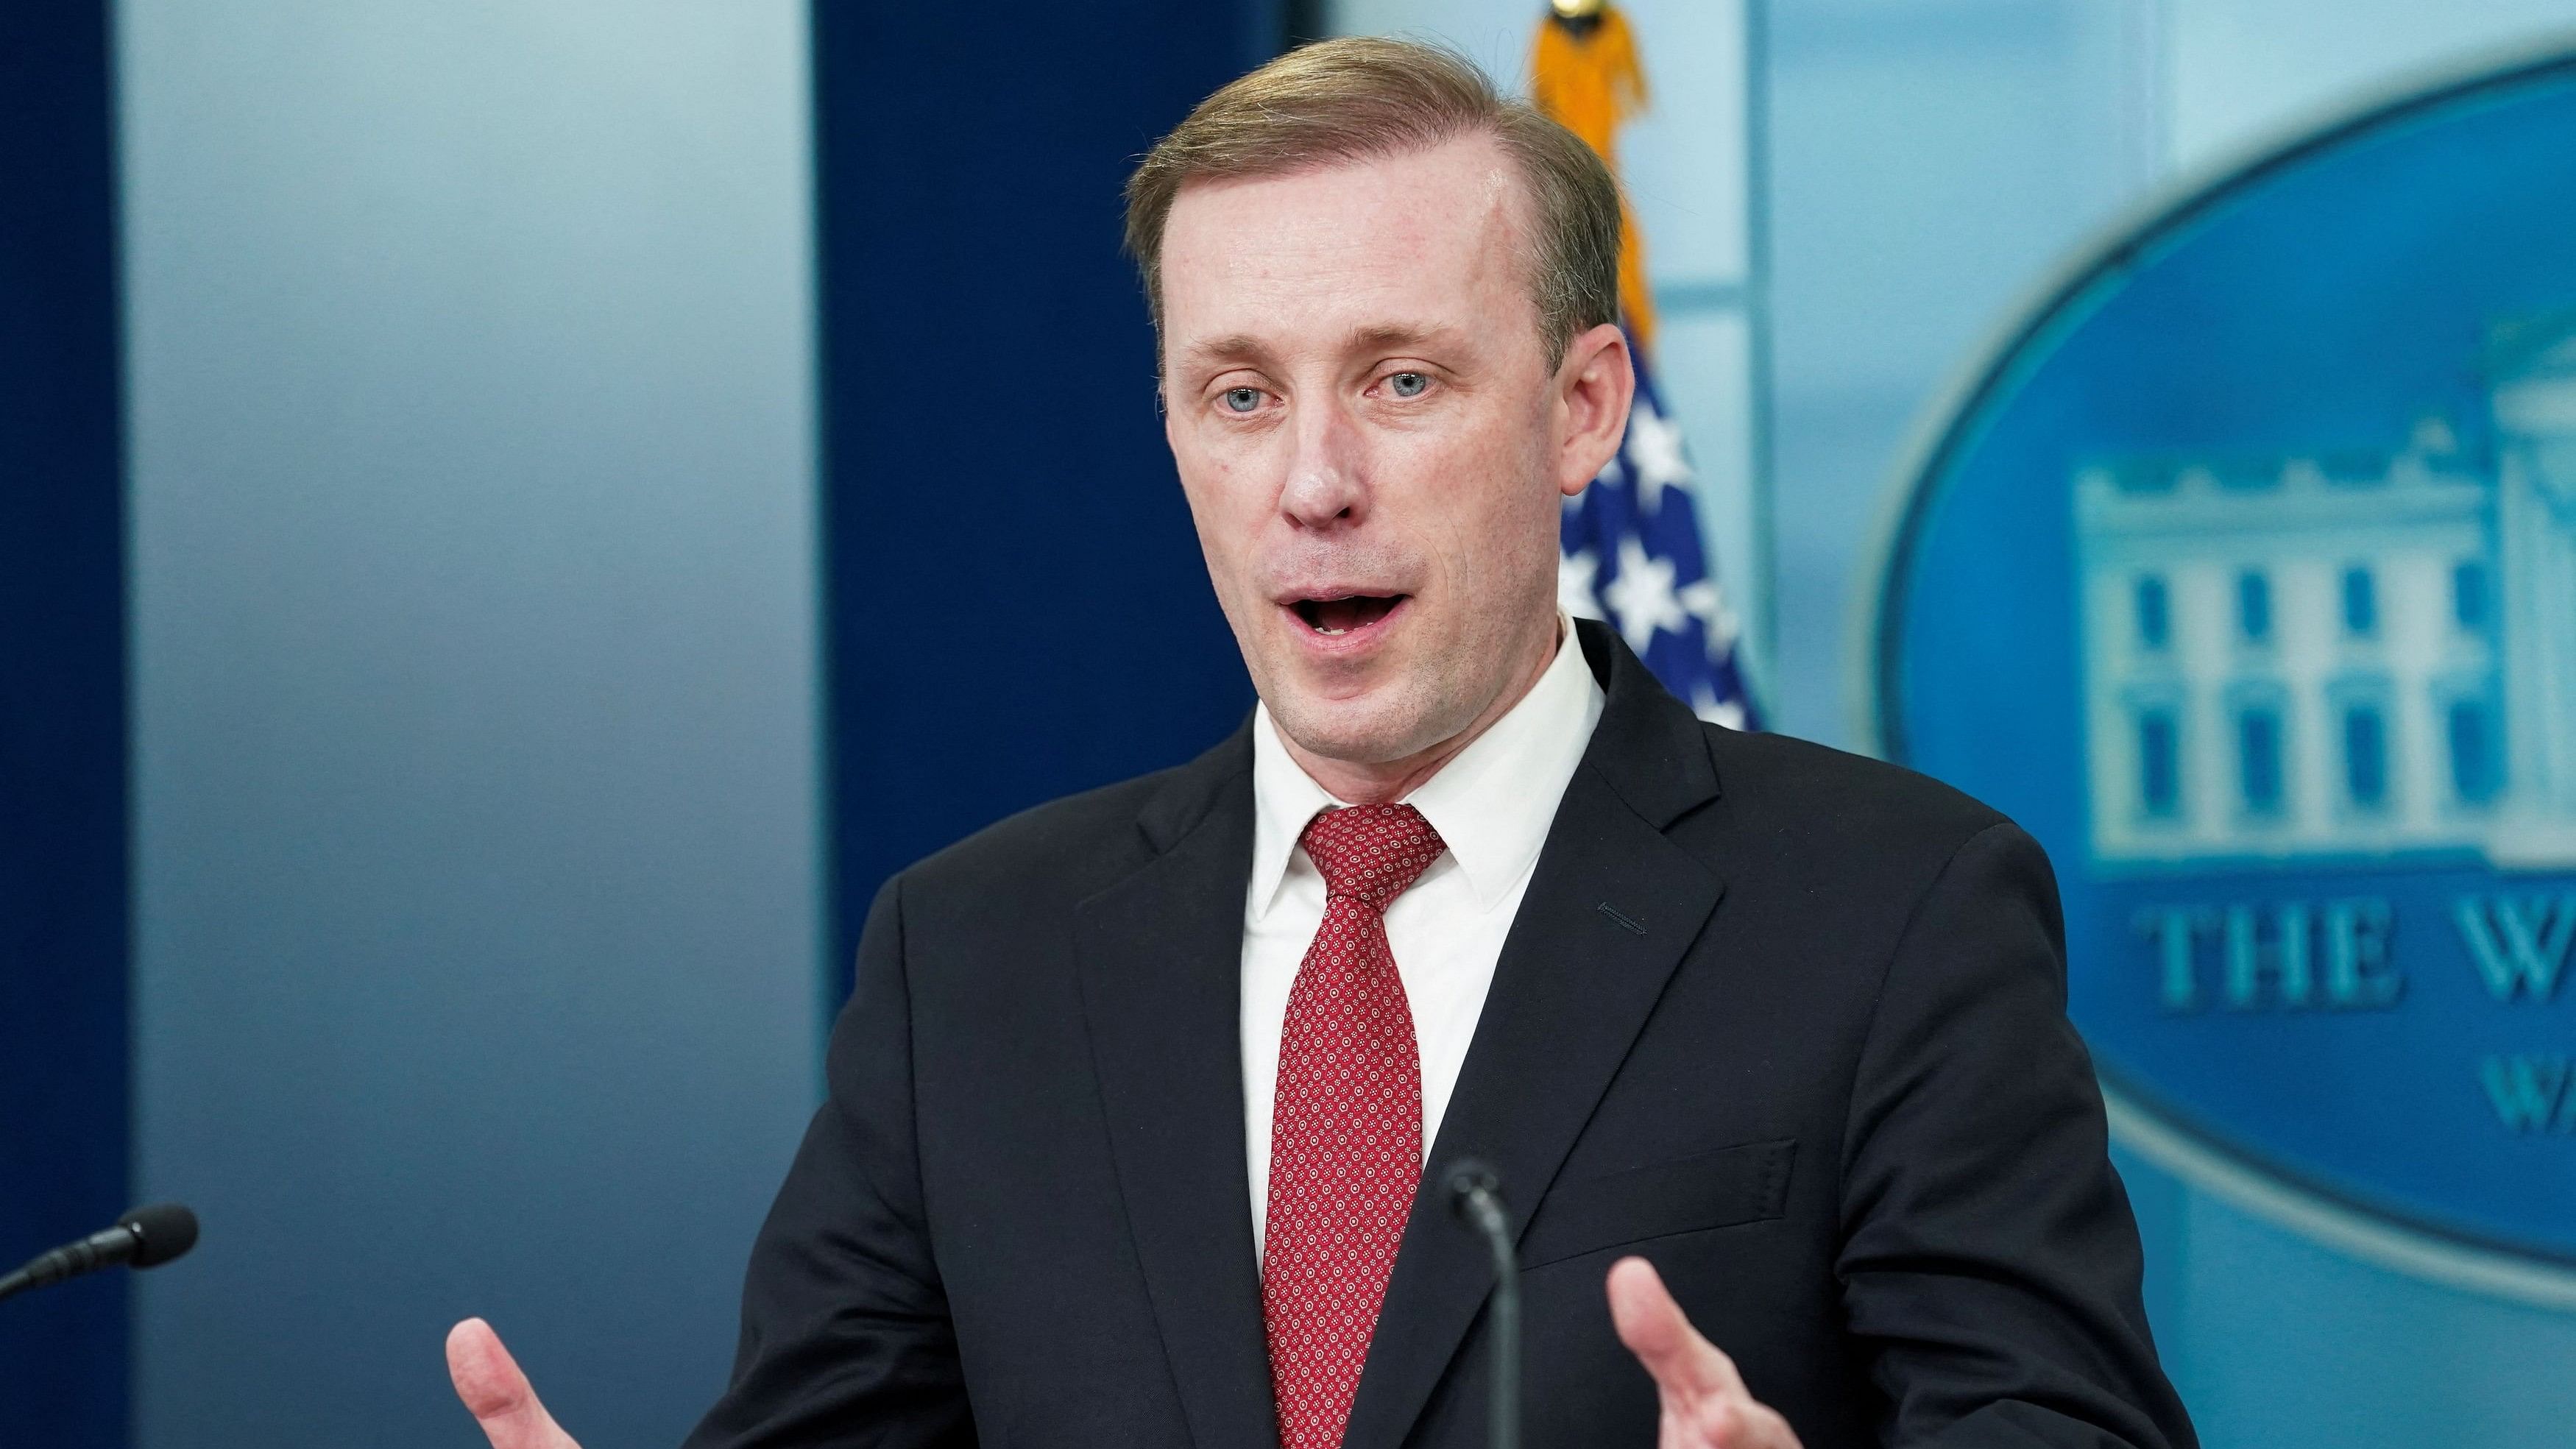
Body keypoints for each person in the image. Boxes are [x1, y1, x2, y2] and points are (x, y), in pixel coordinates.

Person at [445, 38, 2196, 1449]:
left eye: (1402, 380)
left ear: (1582, 410)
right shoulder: (971, 959)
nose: (1313, 482)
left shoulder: (1889, 909)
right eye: (1240, 394)